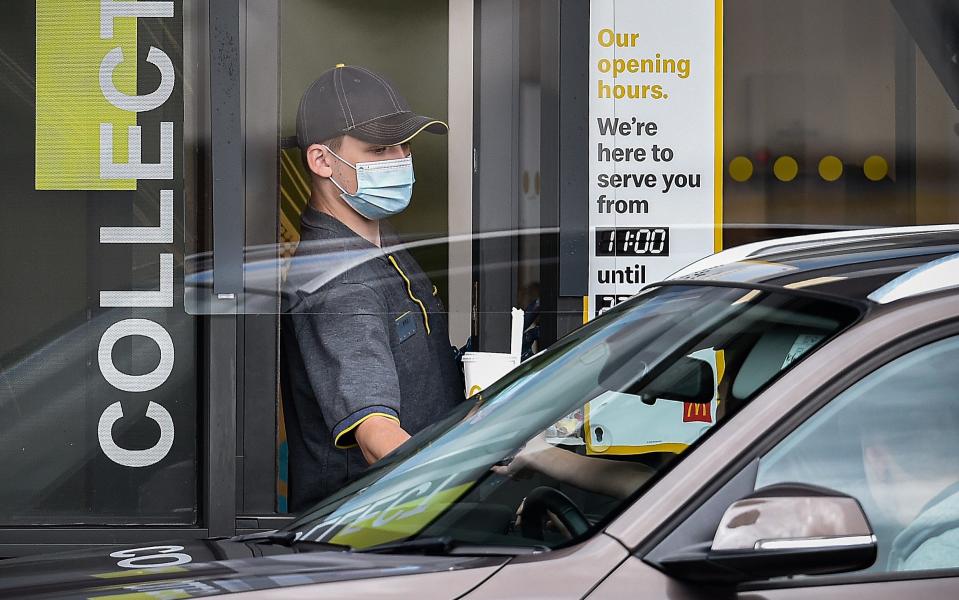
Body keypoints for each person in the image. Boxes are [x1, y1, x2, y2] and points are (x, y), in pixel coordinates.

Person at [280, 64, 464, 513]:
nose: (400, 159)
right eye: (380, 149)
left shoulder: (377, 239)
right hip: (373, 527)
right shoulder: (339, 281)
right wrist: (470, 488)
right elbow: (378, 439)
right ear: (322, 161)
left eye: (404, 145)